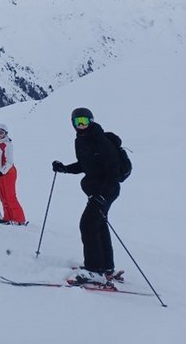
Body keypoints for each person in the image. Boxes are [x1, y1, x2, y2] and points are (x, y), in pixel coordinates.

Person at [52, 107, 122, 284]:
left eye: (85, 121)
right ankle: (106, 266)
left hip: (106, 190)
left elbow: (113, 170)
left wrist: (103, 195)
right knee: (99, 224)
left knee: (88, 224)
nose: (81, 125)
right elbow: (85, 165)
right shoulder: (81, 141)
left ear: (91, 121)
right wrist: (65, 168)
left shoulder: (101, 140)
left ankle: (94, 270)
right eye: (78, 122)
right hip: (95, 191)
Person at [0, 123, 26, 225]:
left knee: (10, 196)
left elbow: (9, 162)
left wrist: (1, 172)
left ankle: (19, 219)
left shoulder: (8, 145)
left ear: (5, 134)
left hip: (9, 173)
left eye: (1, 133)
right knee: (2, 196)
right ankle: (7, 217)